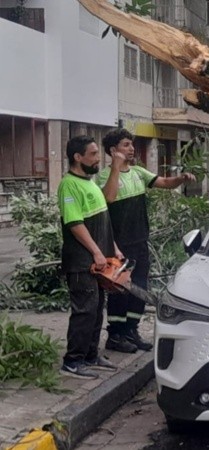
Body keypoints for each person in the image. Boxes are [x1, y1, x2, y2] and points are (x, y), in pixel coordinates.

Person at [97, 129, 196, 353]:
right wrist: (115, 167)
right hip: (119, 245)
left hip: (140, 240)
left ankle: (132, 330)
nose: (131, 149)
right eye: (125, 145)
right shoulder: (105, 176)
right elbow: (109, 197)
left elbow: (163, 182)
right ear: (113, 151)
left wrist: (181, 178)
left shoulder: (138, 173)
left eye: (131, 144)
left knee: (140, 287)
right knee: (120, 289)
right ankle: (116, 335)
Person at [57, 136, 122, 379]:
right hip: (82, 262)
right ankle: (73, 361)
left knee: (96, 309)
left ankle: (91, 355)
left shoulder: (90, 183)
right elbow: (75, 223)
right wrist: (96, 252)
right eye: (93, 154)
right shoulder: (69, 185)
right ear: (78, 157)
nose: (98, 159)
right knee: (84, 310)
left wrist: (112, 248)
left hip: (100, 261)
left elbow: (101, 220)